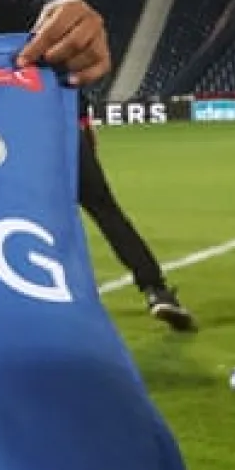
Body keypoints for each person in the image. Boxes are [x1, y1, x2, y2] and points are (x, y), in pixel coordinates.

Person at [78, 106, 197, 330]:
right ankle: (156, 291)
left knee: (39, 223)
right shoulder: (56, 73)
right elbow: (79, 100)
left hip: (25, 145)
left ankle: (46, 296)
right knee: (109, 215)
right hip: (68, 138)